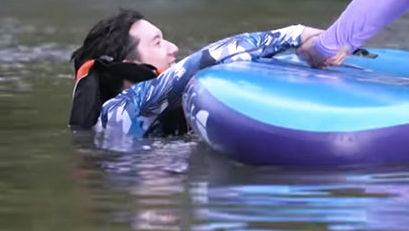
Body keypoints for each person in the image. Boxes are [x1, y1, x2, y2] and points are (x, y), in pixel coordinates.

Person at [69, 9, 319, 137]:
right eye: (157, 43)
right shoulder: (122, 108)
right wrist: (299, 34)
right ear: (127, 65)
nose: (173, 48)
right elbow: (206, 60)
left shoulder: (151, 108)